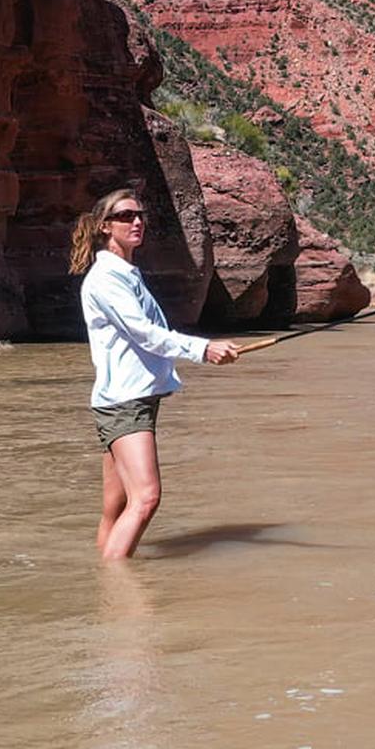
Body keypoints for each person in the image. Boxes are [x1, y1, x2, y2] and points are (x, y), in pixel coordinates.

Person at [69, 189, 239, 560]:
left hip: (127, 400)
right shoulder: (106, 279)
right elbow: (144, 333)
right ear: (104, 226)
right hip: (125, 403)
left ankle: (103, 584)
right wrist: (203, 349)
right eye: (125, 216)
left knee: (116, 508)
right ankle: (117, 584)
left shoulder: (126, 274)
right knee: (146, 499)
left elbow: (149, 335)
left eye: (140, 215)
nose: (137, 221)